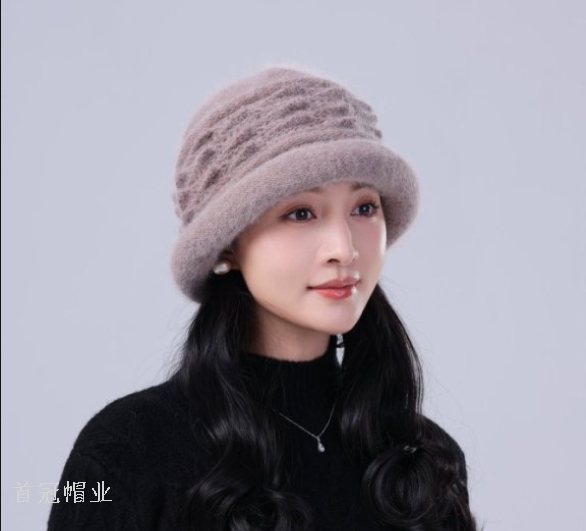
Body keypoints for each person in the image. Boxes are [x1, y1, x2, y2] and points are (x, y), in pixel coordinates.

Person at [48, 67, 477, 530]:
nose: (344, 248)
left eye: (364, 208)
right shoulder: (126, 452)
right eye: (300, 213)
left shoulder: (421, 460)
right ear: (227, 245)